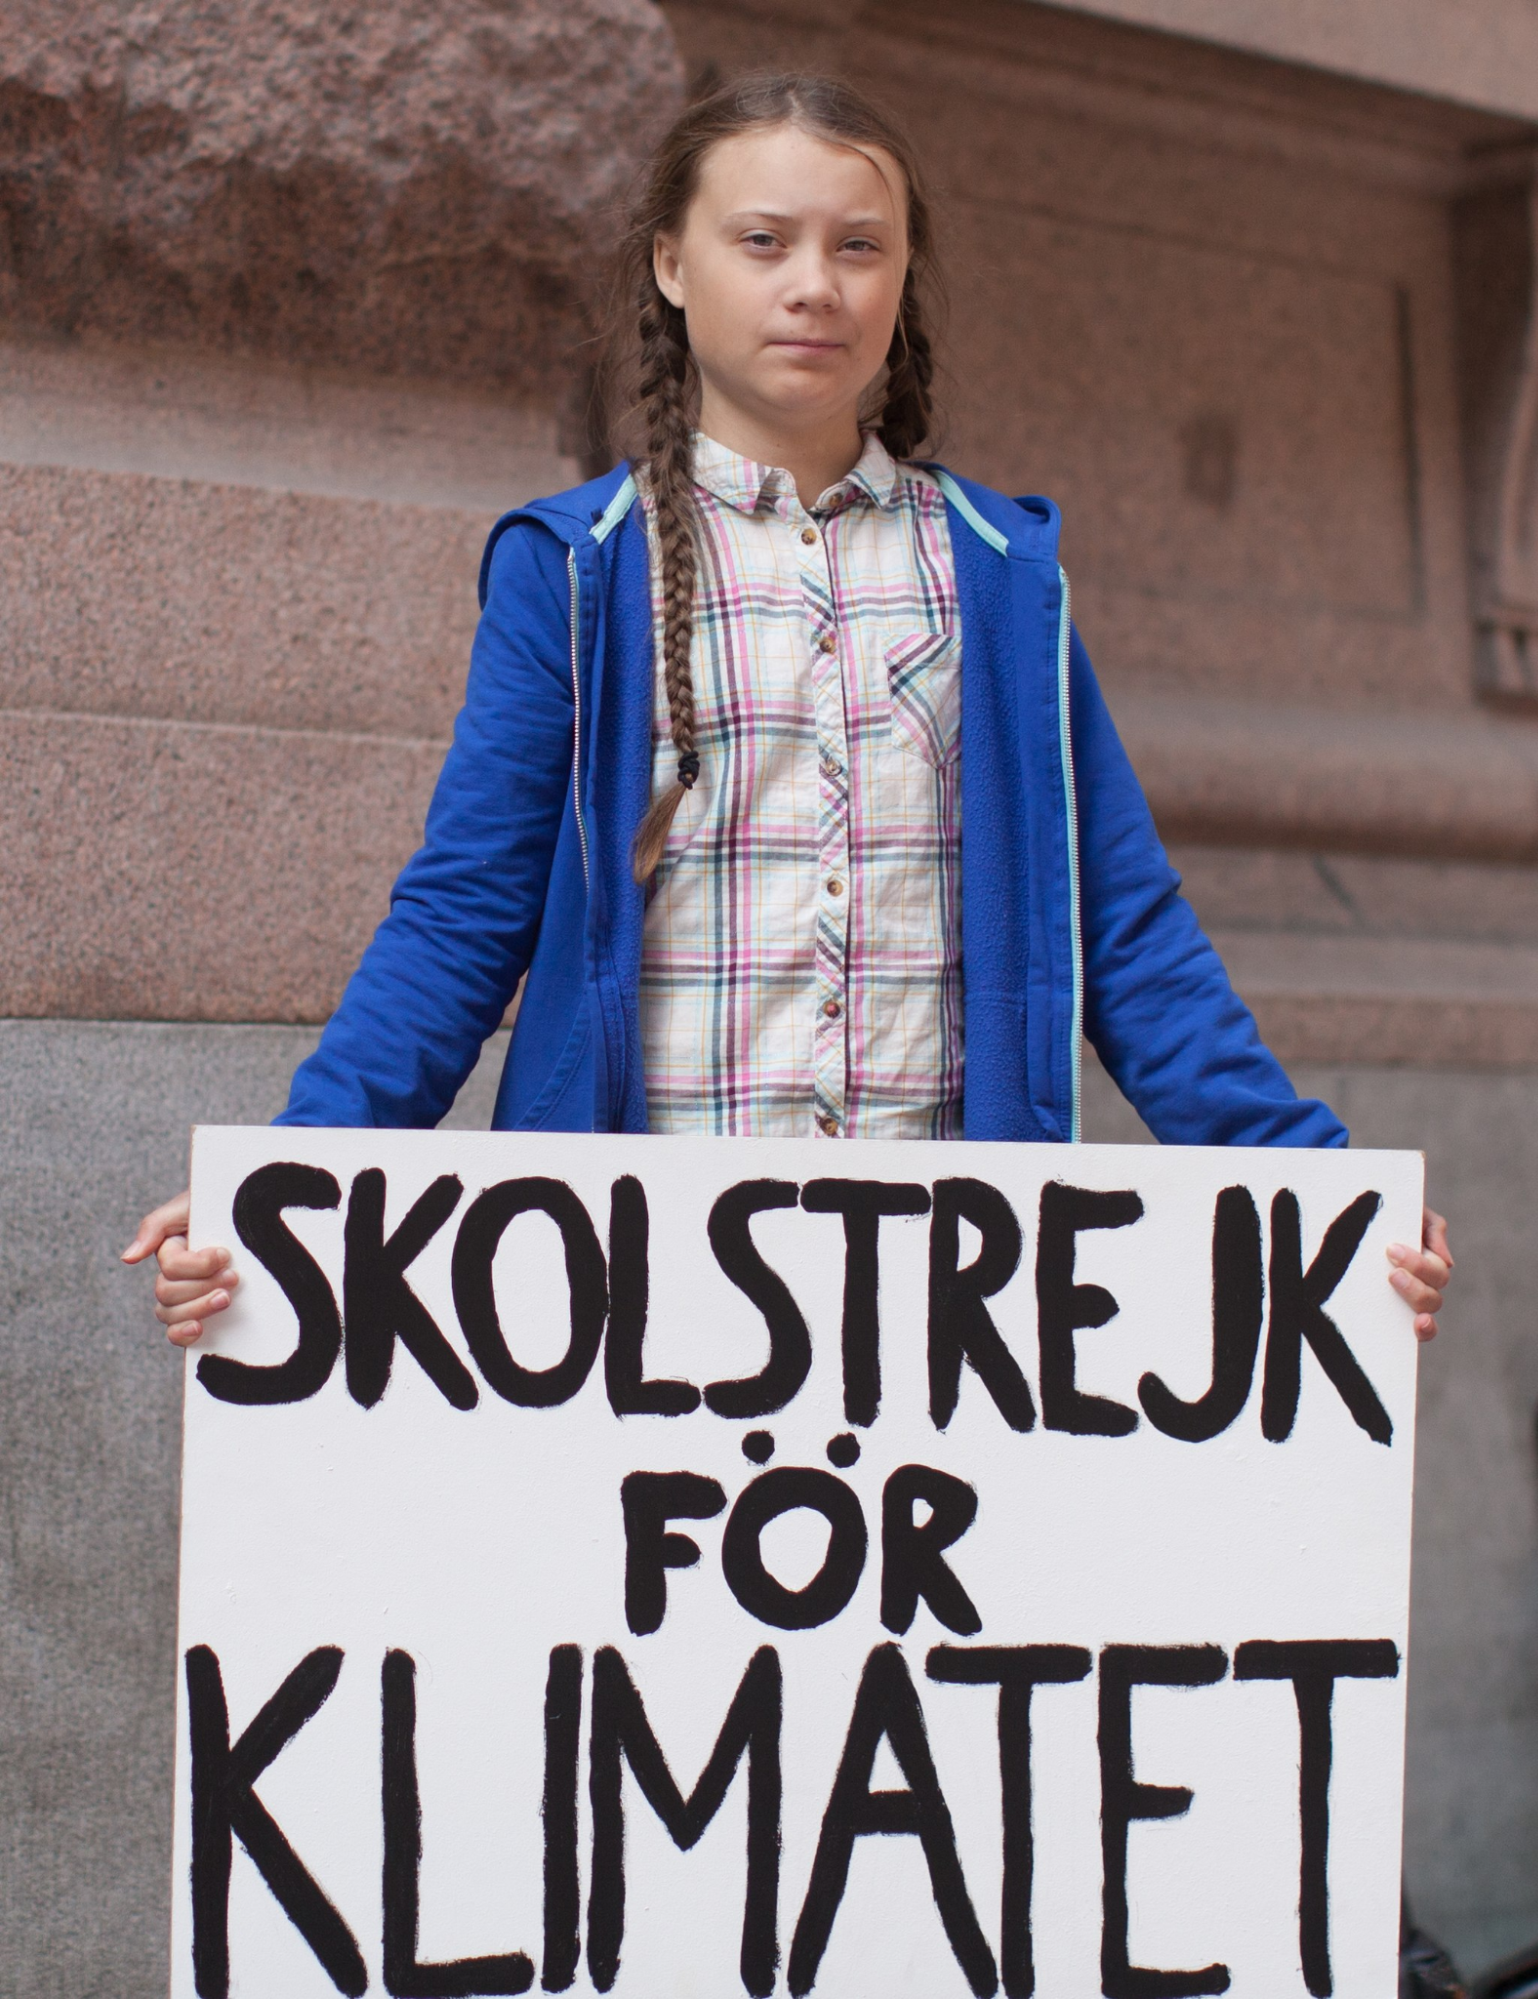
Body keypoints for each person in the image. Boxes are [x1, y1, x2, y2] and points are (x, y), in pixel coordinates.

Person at [122, 71, 1452, 1343]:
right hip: (630, 1279)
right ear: (670, 264)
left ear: (899, 279)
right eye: (762, 240)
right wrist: (283, 1189)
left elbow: (1128, 934)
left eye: (859, 247)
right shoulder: (580, 571)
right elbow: (463, 915)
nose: (814, 284)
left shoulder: (993, 577)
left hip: (945, 1285)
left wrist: (1321, 1195)